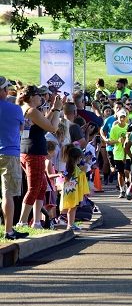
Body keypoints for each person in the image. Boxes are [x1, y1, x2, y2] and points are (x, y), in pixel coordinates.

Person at [17, 85, 62, 229]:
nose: (41, 97)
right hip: (33, 153)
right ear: (31, 97)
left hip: (29, 151)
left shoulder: (27, 110)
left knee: (41, 186)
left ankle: (36, 221)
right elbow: (53, 128)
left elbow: (42, 126)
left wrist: (53, 111)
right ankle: (22, 221)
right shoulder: (31, 110)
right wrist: (56, 109)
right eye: (38, 95)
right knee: (34, 187)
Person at [0, 77, 28, 239]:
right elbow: (21, 128)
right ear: (4, 91)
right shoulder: (15, 109)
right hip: (9, 153)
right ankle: (8, 230)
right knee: (8, 193)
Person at [60, 144, 90, 231]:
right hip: (72, 192)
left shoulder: (70, 167)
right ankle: (70, 224)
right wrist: (83, 171)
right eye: (80, 158)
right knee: (72, 208)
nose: (81, 160)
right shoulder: (72, 168)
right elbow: (78, 177)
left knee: (72, 208)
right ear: (76, 158)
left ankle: (71, 224)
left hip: (71, 191)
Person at [108, 109, 130, 198]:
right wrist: (118, 141)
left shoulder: (129, 127)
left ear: (126, 118)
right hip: (118, 154)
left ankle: (129, 188)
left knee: (127, 171)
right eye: (121, 117)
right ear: (118, 117)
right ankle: (122, 190)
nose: (122, 119)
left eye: (124, 117)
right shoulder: (114, 128)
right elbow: (110, 141)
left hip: (128, 153)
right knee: (120, 173)